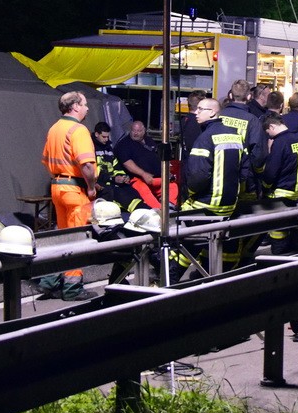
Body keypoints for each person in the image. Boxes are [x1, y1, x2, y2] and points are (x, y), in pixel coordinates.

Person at [170, 98, 245, 279]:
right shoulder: (235, 134)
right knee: (220, 253)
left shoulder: (204, 138)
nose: (195, 112)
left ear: (212, 112)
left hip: (206, 205)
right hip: (228, 205)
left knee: (182, 252)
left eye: (200, 109)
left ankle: (166, 284)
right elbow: (245, 168)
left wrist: (191, 195)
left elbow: (197, 176)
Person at [39, 91, 98, 301]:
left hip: (58, 188)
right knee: (76, 239)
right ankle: (72, 289)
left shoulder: (55, 128)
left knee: (61, 238)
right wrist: (91, 187)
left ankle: (49, 281)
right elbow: (88, 165)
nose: (87, 108)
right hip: (75, 190)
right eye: (84, 104)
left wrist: (61, 176)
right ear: (75, 107)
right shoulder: (79, 130)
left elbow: (46, 160)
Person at [258, 113, 298, 254]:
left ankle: (278, 259)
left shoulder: (281, 142)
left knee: (278, 232)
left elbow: (271, 172)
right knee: (295, 232)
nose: (269, 137)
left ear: (271, 126)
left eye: (268, 133)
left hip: (282, 194)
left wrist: (264, 188)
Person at [221, 79, 268, 201]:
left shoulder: (218, 115)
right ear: (249, 97)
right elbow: (258, 154)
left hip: (219, 174)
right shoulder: (253, 121)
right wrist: (258, 174)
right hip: (245, 179)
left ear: (230, 95)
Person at [114, 120, 178, 210]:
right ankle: (158, 211)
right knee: (143, 189)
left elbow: (157, 158)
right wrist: (143, 174)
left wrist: (166, 172)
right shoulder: (124, 145)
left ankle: (169, 207)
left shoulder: (149, 141)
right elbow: (127, 163)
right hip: (137, 179)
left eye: (139, 131)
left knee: (172, 185)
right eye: (133, 130)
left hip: (154, 178)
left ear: (144, 131)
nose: (135, 133)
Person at [93, 122, 146, 214]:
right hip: (99, 184)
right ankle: (141, 212)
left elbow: (116, 166)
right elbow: (93, 172)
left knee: (132, 191)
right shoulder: (91, 148)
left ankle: (144, 209)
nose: (106, 139)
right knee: (120, 195)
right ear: (97, 134)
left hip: (112, 182)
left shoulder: (109, 149)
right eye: (104, 137)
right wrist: (112, 178)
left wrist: (122, 176)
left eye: (108, 137)